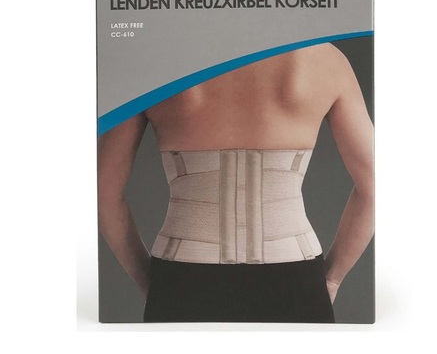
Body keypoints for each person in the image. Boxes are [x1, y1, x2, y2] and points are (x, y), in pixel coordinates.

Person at [97, 43, 374, 323]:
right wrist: (333, 279)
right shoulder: (325, 58)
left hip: (181, 277)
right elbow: (374, 186)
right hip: (295, 279)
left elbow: (103, 193)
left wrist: (149, 281)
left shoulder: (153, 61)